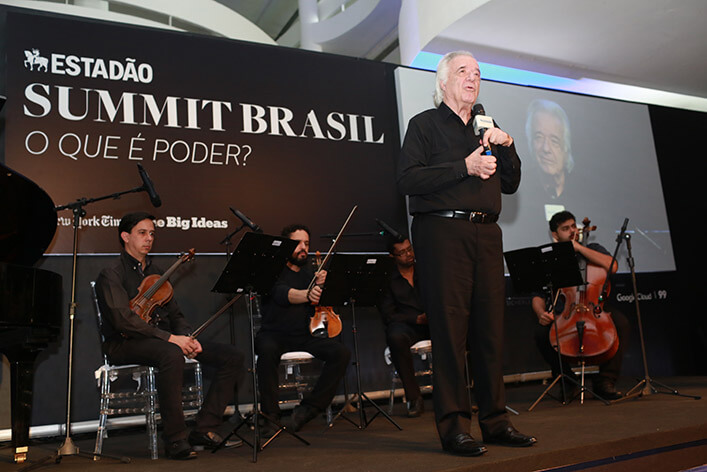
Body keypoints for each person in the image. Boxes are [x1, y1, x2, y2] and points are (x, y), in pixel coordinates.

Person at [397, 50, 535, 457]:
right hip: (442, 232)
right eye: (462, 71)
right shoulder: (424, 125)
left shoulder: (486, 128)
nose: (472, 78)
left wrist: (506, 144)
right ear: (442, 82)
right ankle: (455, 428)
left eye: (477, 73)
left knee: (491, 332)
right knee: (451, 334)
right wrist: (465, 167)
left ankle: (495, 422)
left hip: (487, 234)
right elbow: (407, 178)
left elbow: (510, 184)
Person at [95, 212, 245, 460]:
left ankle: (204, 428)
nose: (149, 238)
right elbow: (123, 320)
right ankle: (176, 440)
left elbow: (176, 315)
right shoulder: (111, 273)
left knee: (233, 356)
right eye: (142, 233)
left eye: (152, 233)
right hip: (122, 343)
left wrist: (187, 336)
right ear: (125, 236)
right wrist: (171, 340)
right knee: (172, 354)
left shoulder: (157, 273)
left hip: (161, 340)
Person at [255, 224, 350, 432]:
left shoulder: (310, 276)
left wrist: (325, 285)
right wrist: (308, 294)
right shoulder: (272, 272)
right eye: (297, 243)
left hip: (304, 334)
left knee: (340, 353)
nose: (303, 248)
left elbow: (322, 301)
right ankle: (270, 416)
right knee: (266, 350)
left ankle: (309, 409)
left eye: (306, 243)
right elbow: (283, 293)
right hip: (274, 334)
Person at [531, 210, 629, 400]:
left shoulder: (593, 248)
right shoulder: (550, 258)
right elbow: (537, 295)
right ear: (555, 235)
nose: (572, 231)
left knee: (622, 323)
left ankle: (605, 381)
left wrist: (579, 248)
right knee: (541, 334)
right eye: (565, 229)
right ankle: (568, 382)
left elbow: (613, 266)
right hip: (564, 313)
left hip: (594, 308)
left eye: (573, 226)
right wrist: (540, 312)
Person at [378, 237, 430, 417]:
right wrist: (416, 319)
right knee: (395, 337)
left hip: (432, 321)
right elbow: (388, 314)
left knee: (460, 329)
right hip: (407, 325)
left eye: (410, 249)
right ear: (392, 256)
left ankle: (460, 392)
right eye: (402, 252)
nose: (409, 254)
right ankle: (414, 397)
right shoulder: (386, 279)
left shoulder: (426, 270)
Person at [525, 99, 575, 201]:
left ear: (566, 147)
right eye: (539, 137)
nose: (546, 148)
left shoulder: (584, 192)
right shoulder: (523, 187)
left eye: (554, 141)